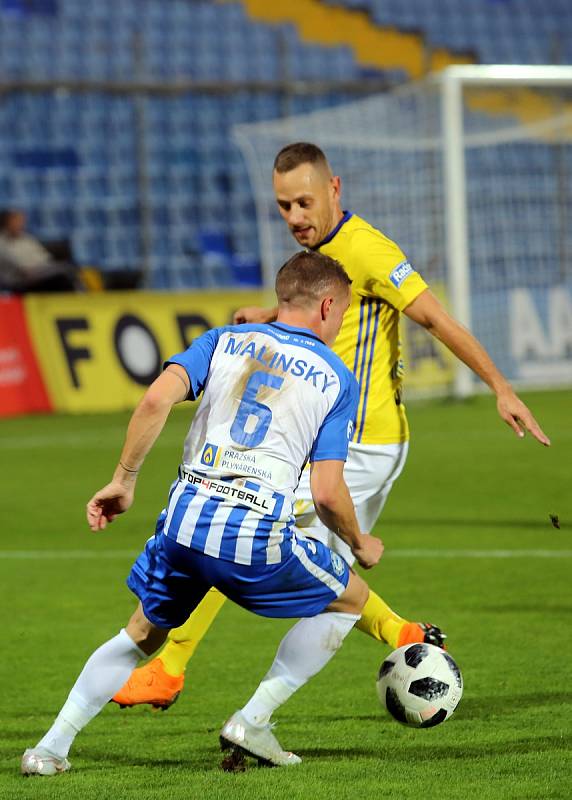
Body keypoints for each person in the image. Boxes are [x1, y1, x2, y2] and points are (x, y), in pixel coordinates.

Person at [21, 250, 384, 775]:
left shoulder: (221, 341)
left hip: (185, 523)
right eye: (344, 311)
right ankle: (253, 721)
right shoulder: (337, 379)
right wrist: (359, 541)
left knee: (142, 633)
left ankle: (50, 748)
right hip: (253, 537)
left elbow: (153, 402)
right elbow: (327, 494)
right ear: (328, 306)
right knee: (348, 599)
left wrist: (123, 480)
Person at [0, 208, 78, 292]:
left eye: (21, 221)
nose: (20, 224)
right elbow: (24, 270)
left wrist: (53, 269)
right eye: (16, 221)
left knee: (68, 271)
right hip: (20, 282)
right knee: (61, 280)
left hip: (40, 274)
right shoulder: (2, 243)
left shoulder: (27, 239)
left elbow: (45, 260)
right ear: (6, 222)